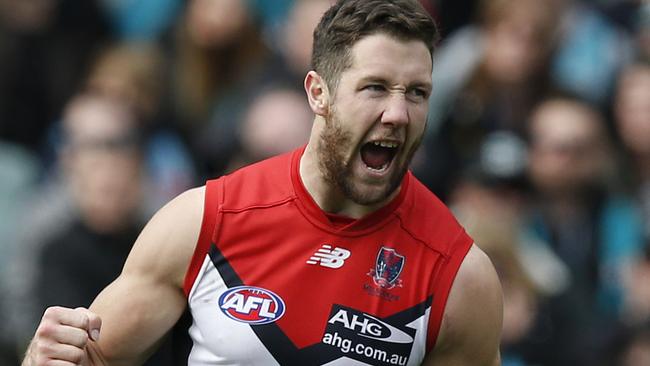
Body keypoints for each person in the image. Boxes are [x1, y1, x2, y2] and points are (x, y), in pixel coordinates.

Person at [22, 1, 503, 365]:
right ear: (318, 93)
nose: (398, 114)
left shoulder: (459, 276)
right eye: (375, 87)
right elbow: (90, 360)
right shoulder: (207, 218)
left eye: (417, 93)